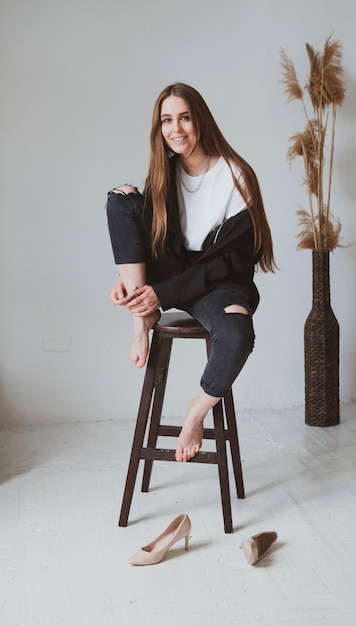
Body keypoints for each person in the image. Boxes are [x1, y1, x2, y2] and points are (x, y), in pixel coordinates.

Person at [106, 83, 276, 463]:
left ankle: (196, 411)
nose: (176, 128)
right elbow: (152, 237)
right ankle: (141, 318)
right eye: (167, 120)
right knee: (120, 198)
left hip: (218, 281)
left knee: (236, 333)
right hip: (176, 274)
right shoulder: (166, 171)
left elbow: (227, 263)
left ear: (200, 119)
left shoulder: (236, 174)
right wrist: (133, 280)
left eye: (184, 117)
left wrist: (162, 292)